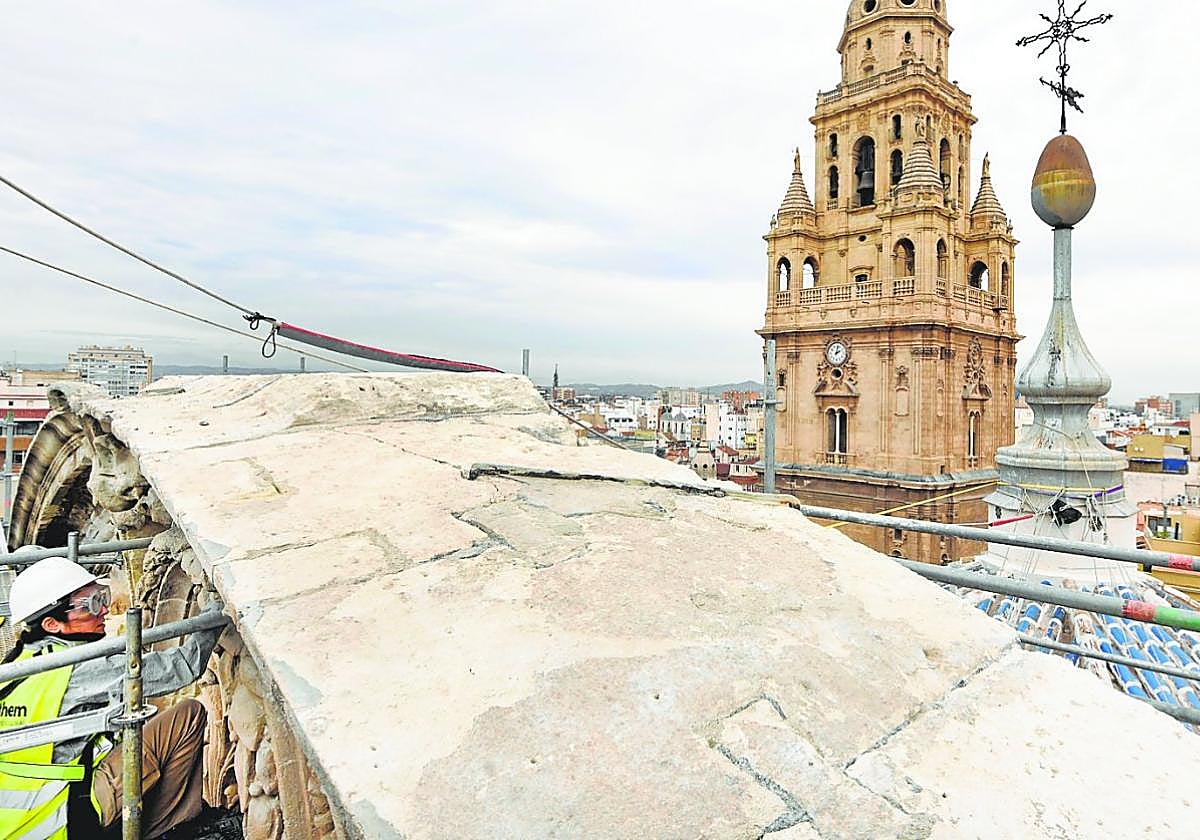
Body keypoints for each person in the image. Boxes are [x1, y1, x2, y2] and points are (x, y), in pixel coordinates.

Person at [0, 555, 224, 838]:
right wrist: (218, 610)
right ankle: (169, 828)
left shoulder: (17, 664)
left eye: (100, 595)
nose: (104, 609)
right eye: (91, 604)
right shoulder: (75, 666)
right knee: (187, 715)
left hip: (19, 825)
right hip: (66, 815)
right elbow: (182, 666)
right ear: (52, 624)